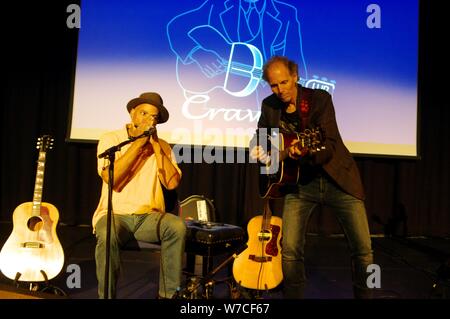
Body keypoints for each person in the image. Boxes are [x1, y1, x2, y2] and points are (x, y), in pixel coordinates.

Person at [250, 56, 373, 298]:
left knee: (363, 250)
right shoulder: (269, 106)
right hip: (299, 185)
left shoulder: (319, 100)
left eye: (284, 82)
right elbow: (261, 136)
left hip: (338, 180)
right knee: (290, 250)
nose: (280, 90)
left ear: (295, 76)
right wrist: (259, 150)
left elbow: (328, 145)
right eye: (274, 85)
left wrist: (301, 152)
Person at [92, 92, 186, 299]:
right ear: (132, 113)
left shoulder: (162, 146)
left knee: (177, 226)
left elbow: (171, 183)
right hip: (114, 214)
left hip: (148, 217)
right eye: (143, 113)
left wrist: (156, 148)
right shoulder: (111, 139)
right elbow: (112, 179)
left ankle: (168, 295)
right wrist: (138, 144)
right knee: (108, 234)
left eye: (153, 117)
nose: (148, 120)